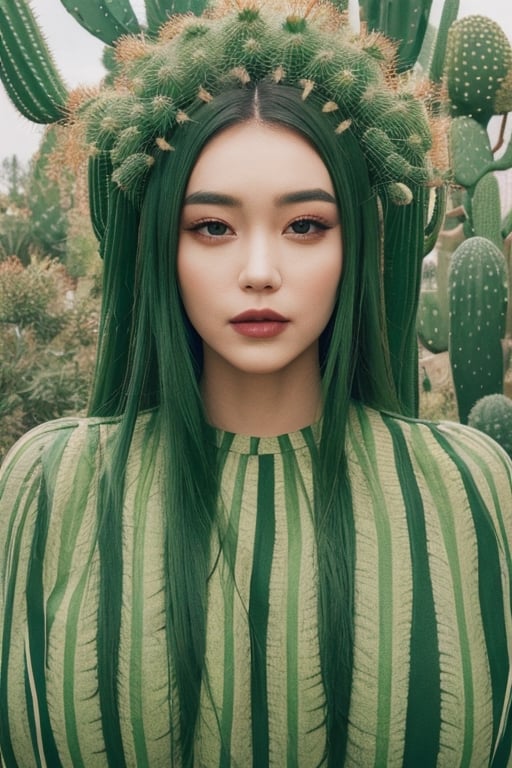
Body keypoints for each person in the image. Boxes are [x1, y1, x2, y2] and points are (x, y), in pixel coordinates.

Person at [0, 3, 511, 766]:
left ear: (357, 241)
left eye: (306, 225)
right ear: (160, 243)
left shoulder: (472, 486)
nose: (261, 271)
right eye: (212, 227)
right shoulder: (50, 484)